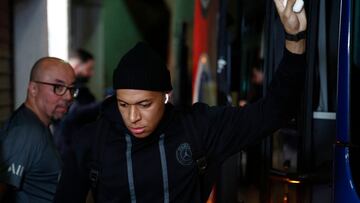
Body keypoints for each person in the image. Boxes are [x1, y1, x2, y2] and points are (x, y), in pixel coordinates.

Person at [56, 0, 307, 202]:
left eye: (144, 105)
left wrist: (295, 40)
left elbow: (275, 111)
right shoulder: (90, 142)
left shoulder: (198, 129)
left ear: (167, 96)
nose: (132, 117)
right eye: (123, 105)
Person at [0, 57, 77, 202]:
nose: (68, 97)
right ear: (33, 89)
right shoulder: (25, 132)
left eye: (71, 89)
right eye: (58, 87)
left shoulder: (37, 124)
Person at [52, 49, 100, 158]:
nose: (91, 73)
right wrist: (103, 104)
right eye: (89, 68)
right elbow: (73, 114)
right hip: (68, 152)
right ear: (77, 66)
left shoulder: (77, 87)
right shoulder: (62, 87)